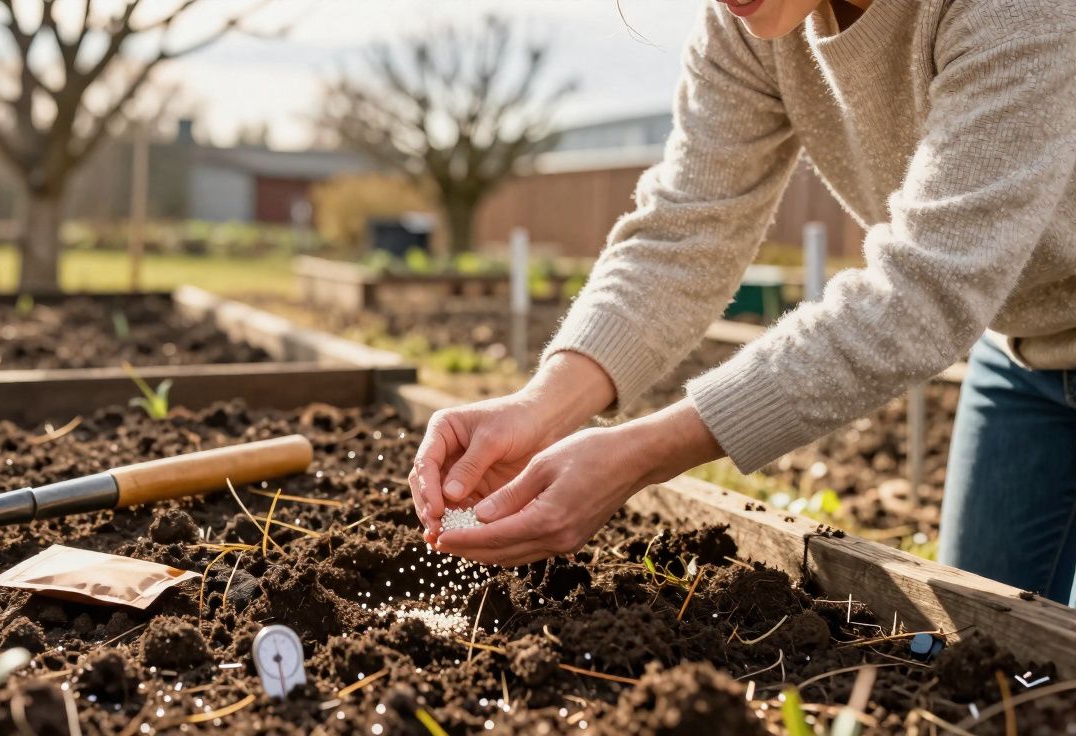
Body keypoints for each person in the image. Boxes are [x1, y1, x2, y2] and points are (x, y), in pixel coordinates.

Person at [408, 0, 1076, 604]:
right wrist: (541, 406)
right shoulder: (746, 25)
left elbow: (926, 286)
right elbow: (685, 232)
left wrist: (642, 452)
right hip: (1023, 355)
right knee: (994, 657)